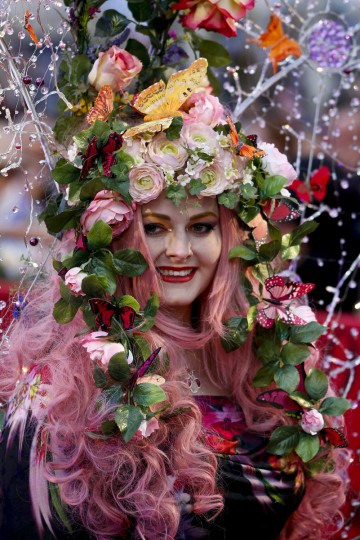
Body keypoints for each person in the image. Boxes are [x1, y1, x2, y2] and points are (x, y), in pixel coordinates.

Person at [0, 59, 350, 540]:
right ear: (114, 236)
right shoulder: (60, 392)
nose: (180, 251)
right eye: (155, 228)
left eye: (202, 227)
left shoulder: (265, 365)